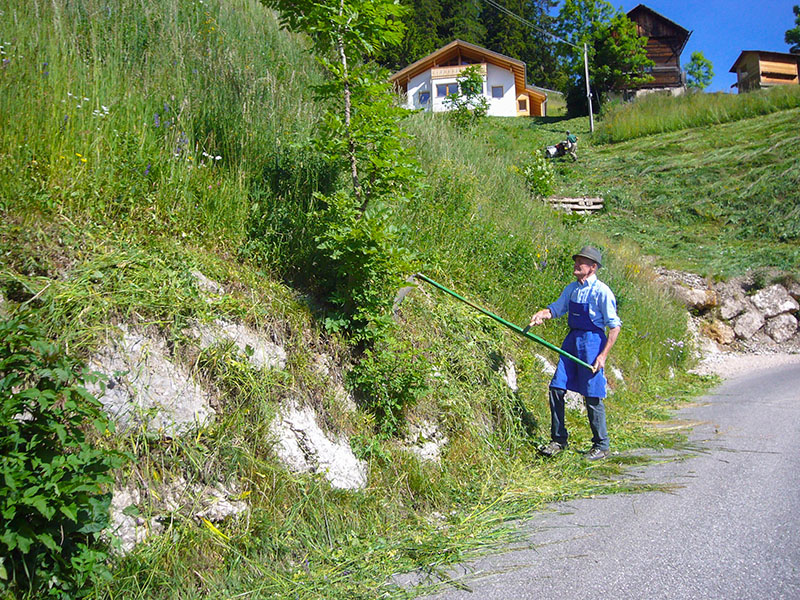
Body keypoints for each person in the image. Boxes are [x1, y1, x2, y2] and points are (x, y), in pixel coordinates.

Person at [528, 246, 621, 460]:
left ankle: (601, 446)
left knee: (592, 395)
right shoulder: (572, 289)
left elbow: (614, 327)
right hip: (571, 342)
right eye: (576, 261)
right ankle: (558, 440)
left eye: (582, 262)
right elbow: (557, 309)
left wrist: (602, 355)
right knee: (556, 388)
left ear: (593, 267)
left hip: (592, 344)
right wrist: (542, 314)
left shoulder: (602, 292)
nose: (577, 265)